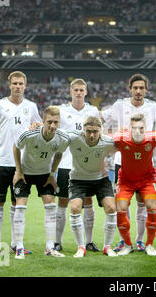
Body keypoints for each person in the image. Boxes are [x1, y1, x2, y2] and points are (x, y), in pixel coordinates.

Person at [101, 74, 156, 253]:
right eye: (135, 88)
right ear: (130, 89)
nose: (138, 91)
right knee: (124, 204)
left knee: (143, 203)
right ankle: (125, 241)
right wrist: (113, 131)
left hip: (144, 161)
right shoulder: (120, 105)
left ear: (146, 89)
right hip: (121, 161)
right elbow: (100, 118)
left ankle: (139, 240)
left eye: (142, 88)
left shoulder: (152, 106)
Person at [0, 71, 42, 259]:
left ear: (25, 85)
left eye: (20, 83)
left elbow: (39, 125)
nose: (17, 86)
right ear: (9, 85)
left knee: (18, 204)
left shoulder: (31, 106)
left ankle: (16, 244)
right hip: (1, 161)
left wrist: (37, 125)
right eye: (14, 83)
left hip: (22, 165)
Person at [12, 106, 70, 259]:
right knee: (20, 207)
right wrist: (18, 170)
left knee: (51, 206)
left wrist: (52, 173)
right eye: (49, 122)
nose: (52, 126)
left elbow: (59, 154)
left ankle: (50, 248)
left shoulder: (63, 138)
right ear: (43, 121)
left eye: (56, 122)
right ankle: (19, 248)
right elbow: (16, 147)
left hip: (44, 174)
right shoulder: (29, 134)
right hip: (25, 172)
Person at [112, 113, 156, 256]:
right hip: (126, 180)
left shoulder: (153, 137)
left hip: (147, 180)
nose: (138, 131)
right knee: (120, 209)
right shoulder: (120, 138)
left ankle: (149, 244)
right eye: (134, 128)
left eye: (141, 128)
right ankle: (128, 244)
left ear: (146, 128)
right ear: (129, 128)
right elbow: (102, 140)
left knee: (151, 206)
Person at [55, 78, 100, 252]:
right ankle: (57, 242)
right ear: (71, 92)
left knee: (88, 202)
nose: (79, 93)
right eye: (76, 90)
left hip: (87, 165)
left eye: (82, 90)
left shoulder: (93, 110)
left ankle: (89, 242)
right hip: (66, 164)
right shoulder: (61, 110)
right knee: (63, 203)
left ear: (86, 92)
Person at [67, 116, 118, 258]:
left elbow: (123, 144)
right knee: (75, 208)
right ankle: (81, 247)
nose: (91, 135)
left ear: (100, 130)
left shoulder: (108, 141)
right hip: (78, 179)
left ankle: (107, 247)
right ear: (83, 130)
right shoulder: (73, 138)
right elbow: (55, 135)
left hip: (100, 179)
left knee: (111, 208)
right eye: (88, 131)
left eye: (95, 131)